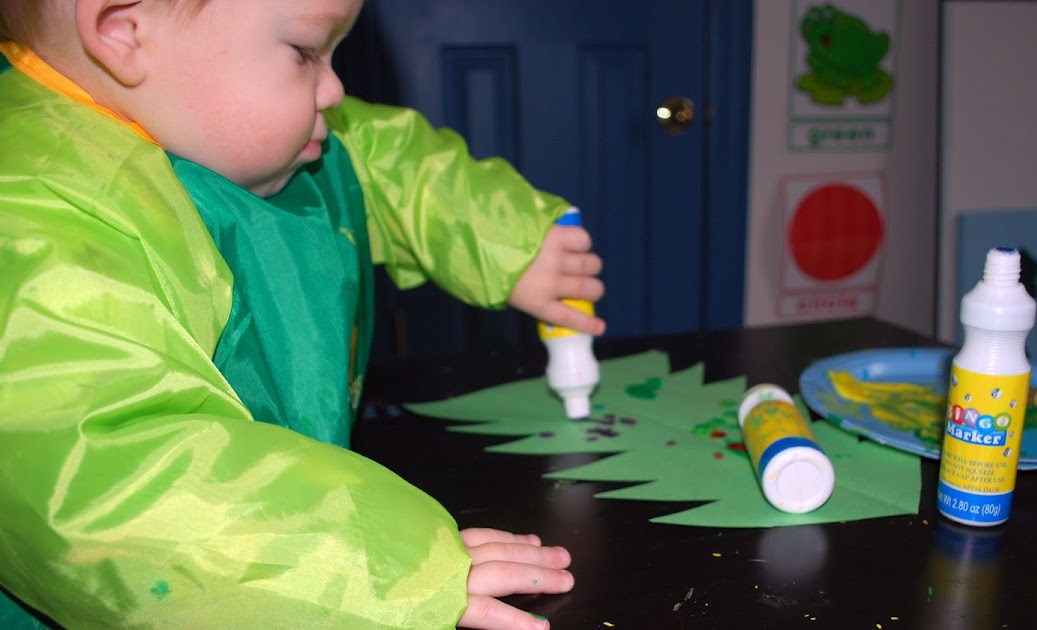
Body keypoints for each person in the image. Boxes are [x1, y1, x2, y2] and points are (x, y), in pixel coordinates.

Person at [0, 0, 606, 628]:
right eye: (305, 52)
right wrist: (380, 568)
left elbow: (374, 153)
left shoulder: (227, 121)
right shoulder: (30, 220)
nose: (336, 86)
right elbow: (115, 483)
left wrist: (506, 235)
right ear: (123, 30)